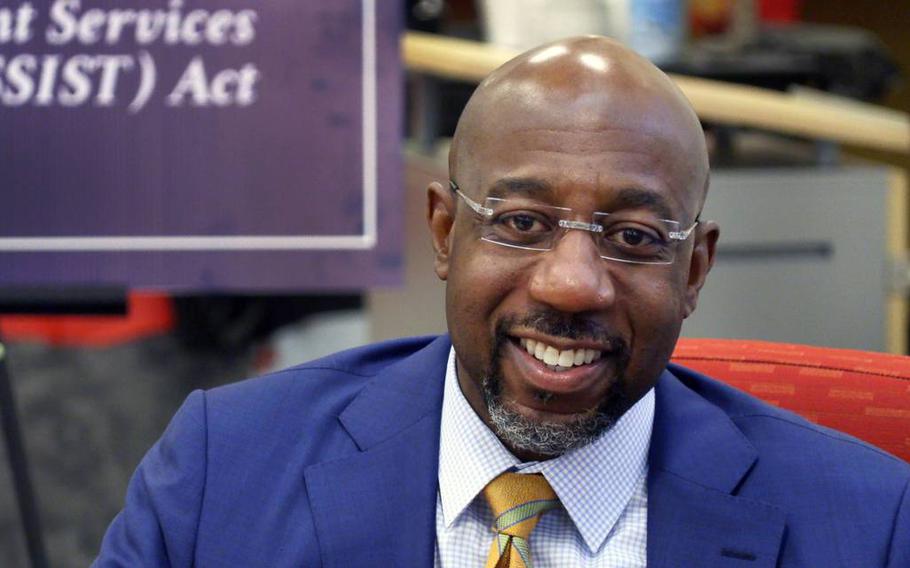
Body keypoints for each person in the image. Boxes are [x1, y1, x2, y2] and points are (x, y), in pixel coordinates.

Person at [94, 36, 909, 567]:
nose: (571, 283)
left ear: (693, 272)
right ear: (445, 234)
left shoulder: (866, 527)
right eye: (521, 223)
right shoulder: (220, 473)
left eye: (631, 237)